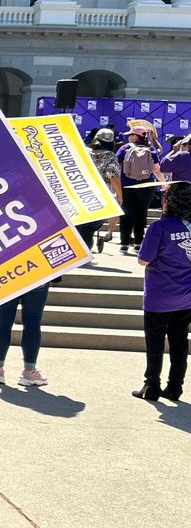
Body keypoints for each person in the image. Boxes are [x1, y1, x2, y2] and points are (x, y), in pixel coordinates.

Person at [132, 181, 191, 402]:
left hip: (160, 295)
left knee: (155, 342)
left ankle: (152, 386)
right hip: (186, 296)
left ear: (168, 202)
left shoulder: (160, 228)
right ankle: (175, 387)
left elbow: (143, 260)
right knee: (179, 342)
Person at [0, 284, 52, 387]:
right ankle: (29, 371)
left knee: (2, 324)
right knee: (32, 324)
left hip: (9, 277)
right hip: (38, 275)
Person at [117, 123, 165, 253]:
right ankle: (138, 243)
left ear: (135, 136)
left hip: (127, 186)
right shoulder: (152, 150)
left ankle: (124, 243)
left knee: (127, 214)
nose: (128, 137)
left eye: (130, 135)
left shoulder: (125, 148)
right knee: (141, 214)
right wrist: (164, 184)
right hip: (146, 186)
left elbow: (116, 166)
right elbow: (156, 170)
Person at [79, 128, 123, 254]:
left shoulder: (85, 152)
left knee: (81, 224)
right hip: (99, 195)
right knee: (90, 226)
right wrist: (119, 196)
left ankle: (81, 250)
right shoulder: (109, 156)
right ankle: (84, 251)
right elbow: (112, 175)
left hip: (80, 191)